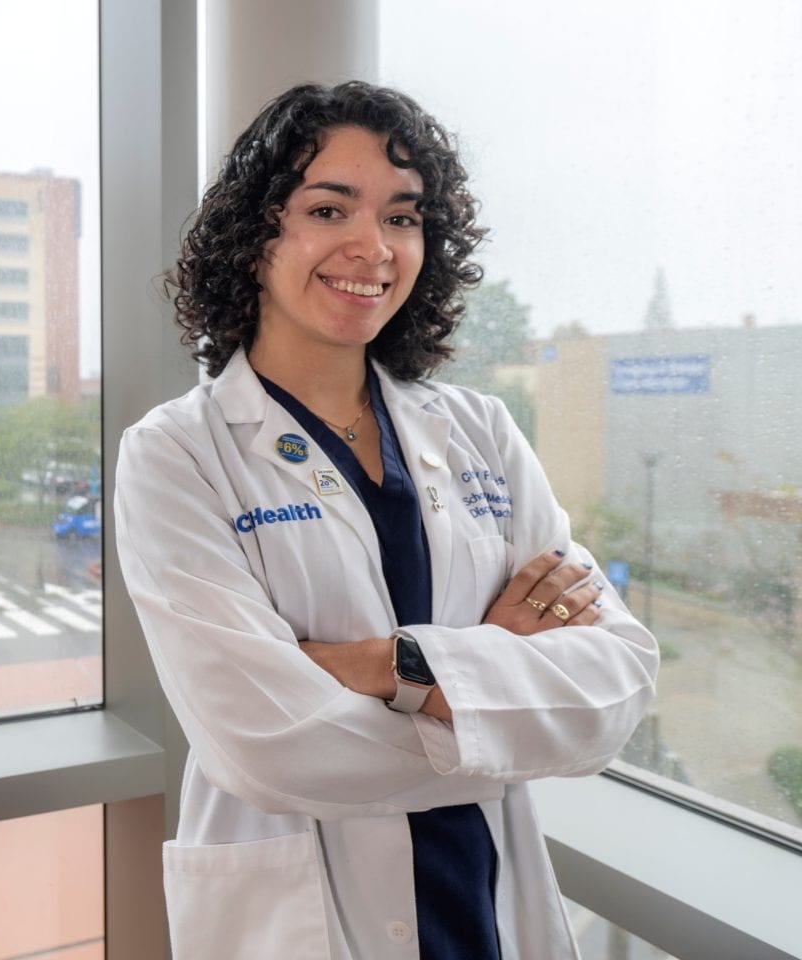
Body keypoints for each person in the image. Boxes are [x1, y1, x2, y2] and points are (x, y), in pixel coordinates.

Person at [114, 82, 659, 960]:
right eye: (329, 208)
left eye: (403, 217)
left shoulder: (477, 428)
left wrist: (382, 668)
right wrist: (501, 681)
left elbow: (617, 687)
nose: (372, 247)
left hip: (483, 909)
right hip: (302, 920)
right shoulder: (176, 454)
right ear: (255, 236)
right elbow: (267, 747)